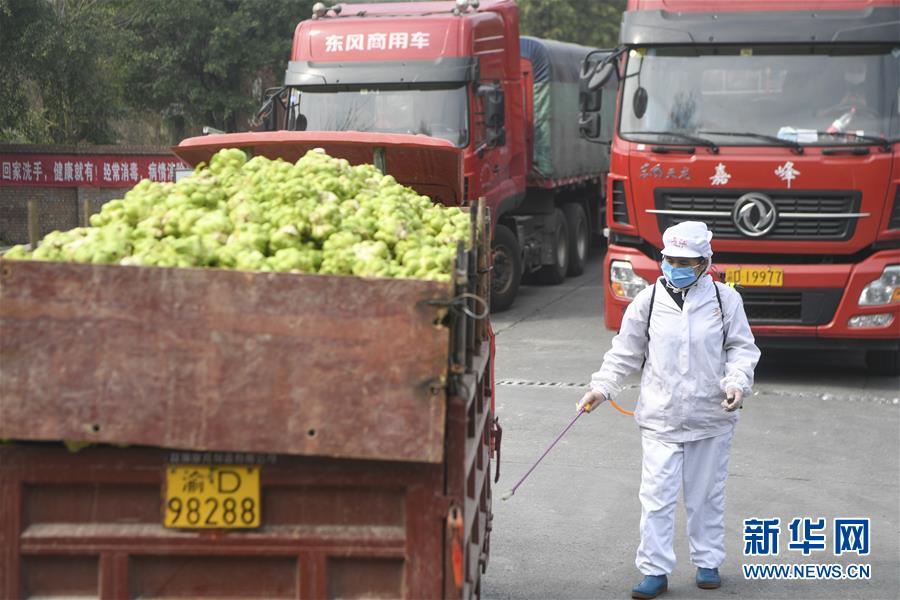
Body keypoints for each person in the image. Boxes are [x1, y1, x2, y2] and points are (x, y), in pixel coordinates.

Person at [578, 221, 760, 599]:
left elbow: (741, 349)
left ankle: (708, 562)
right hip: (660, 417)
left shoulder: (725, 301)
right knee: (656, 499)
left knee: (706, 496)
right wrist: (602, 388)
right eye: (670, 260)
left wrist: (736, 384)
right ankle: (654, 570)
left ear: (705, 262)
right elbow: (625, 352)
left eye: (685, 262)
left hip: (711, 417)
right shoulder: (647, 302)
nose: (676, 267)